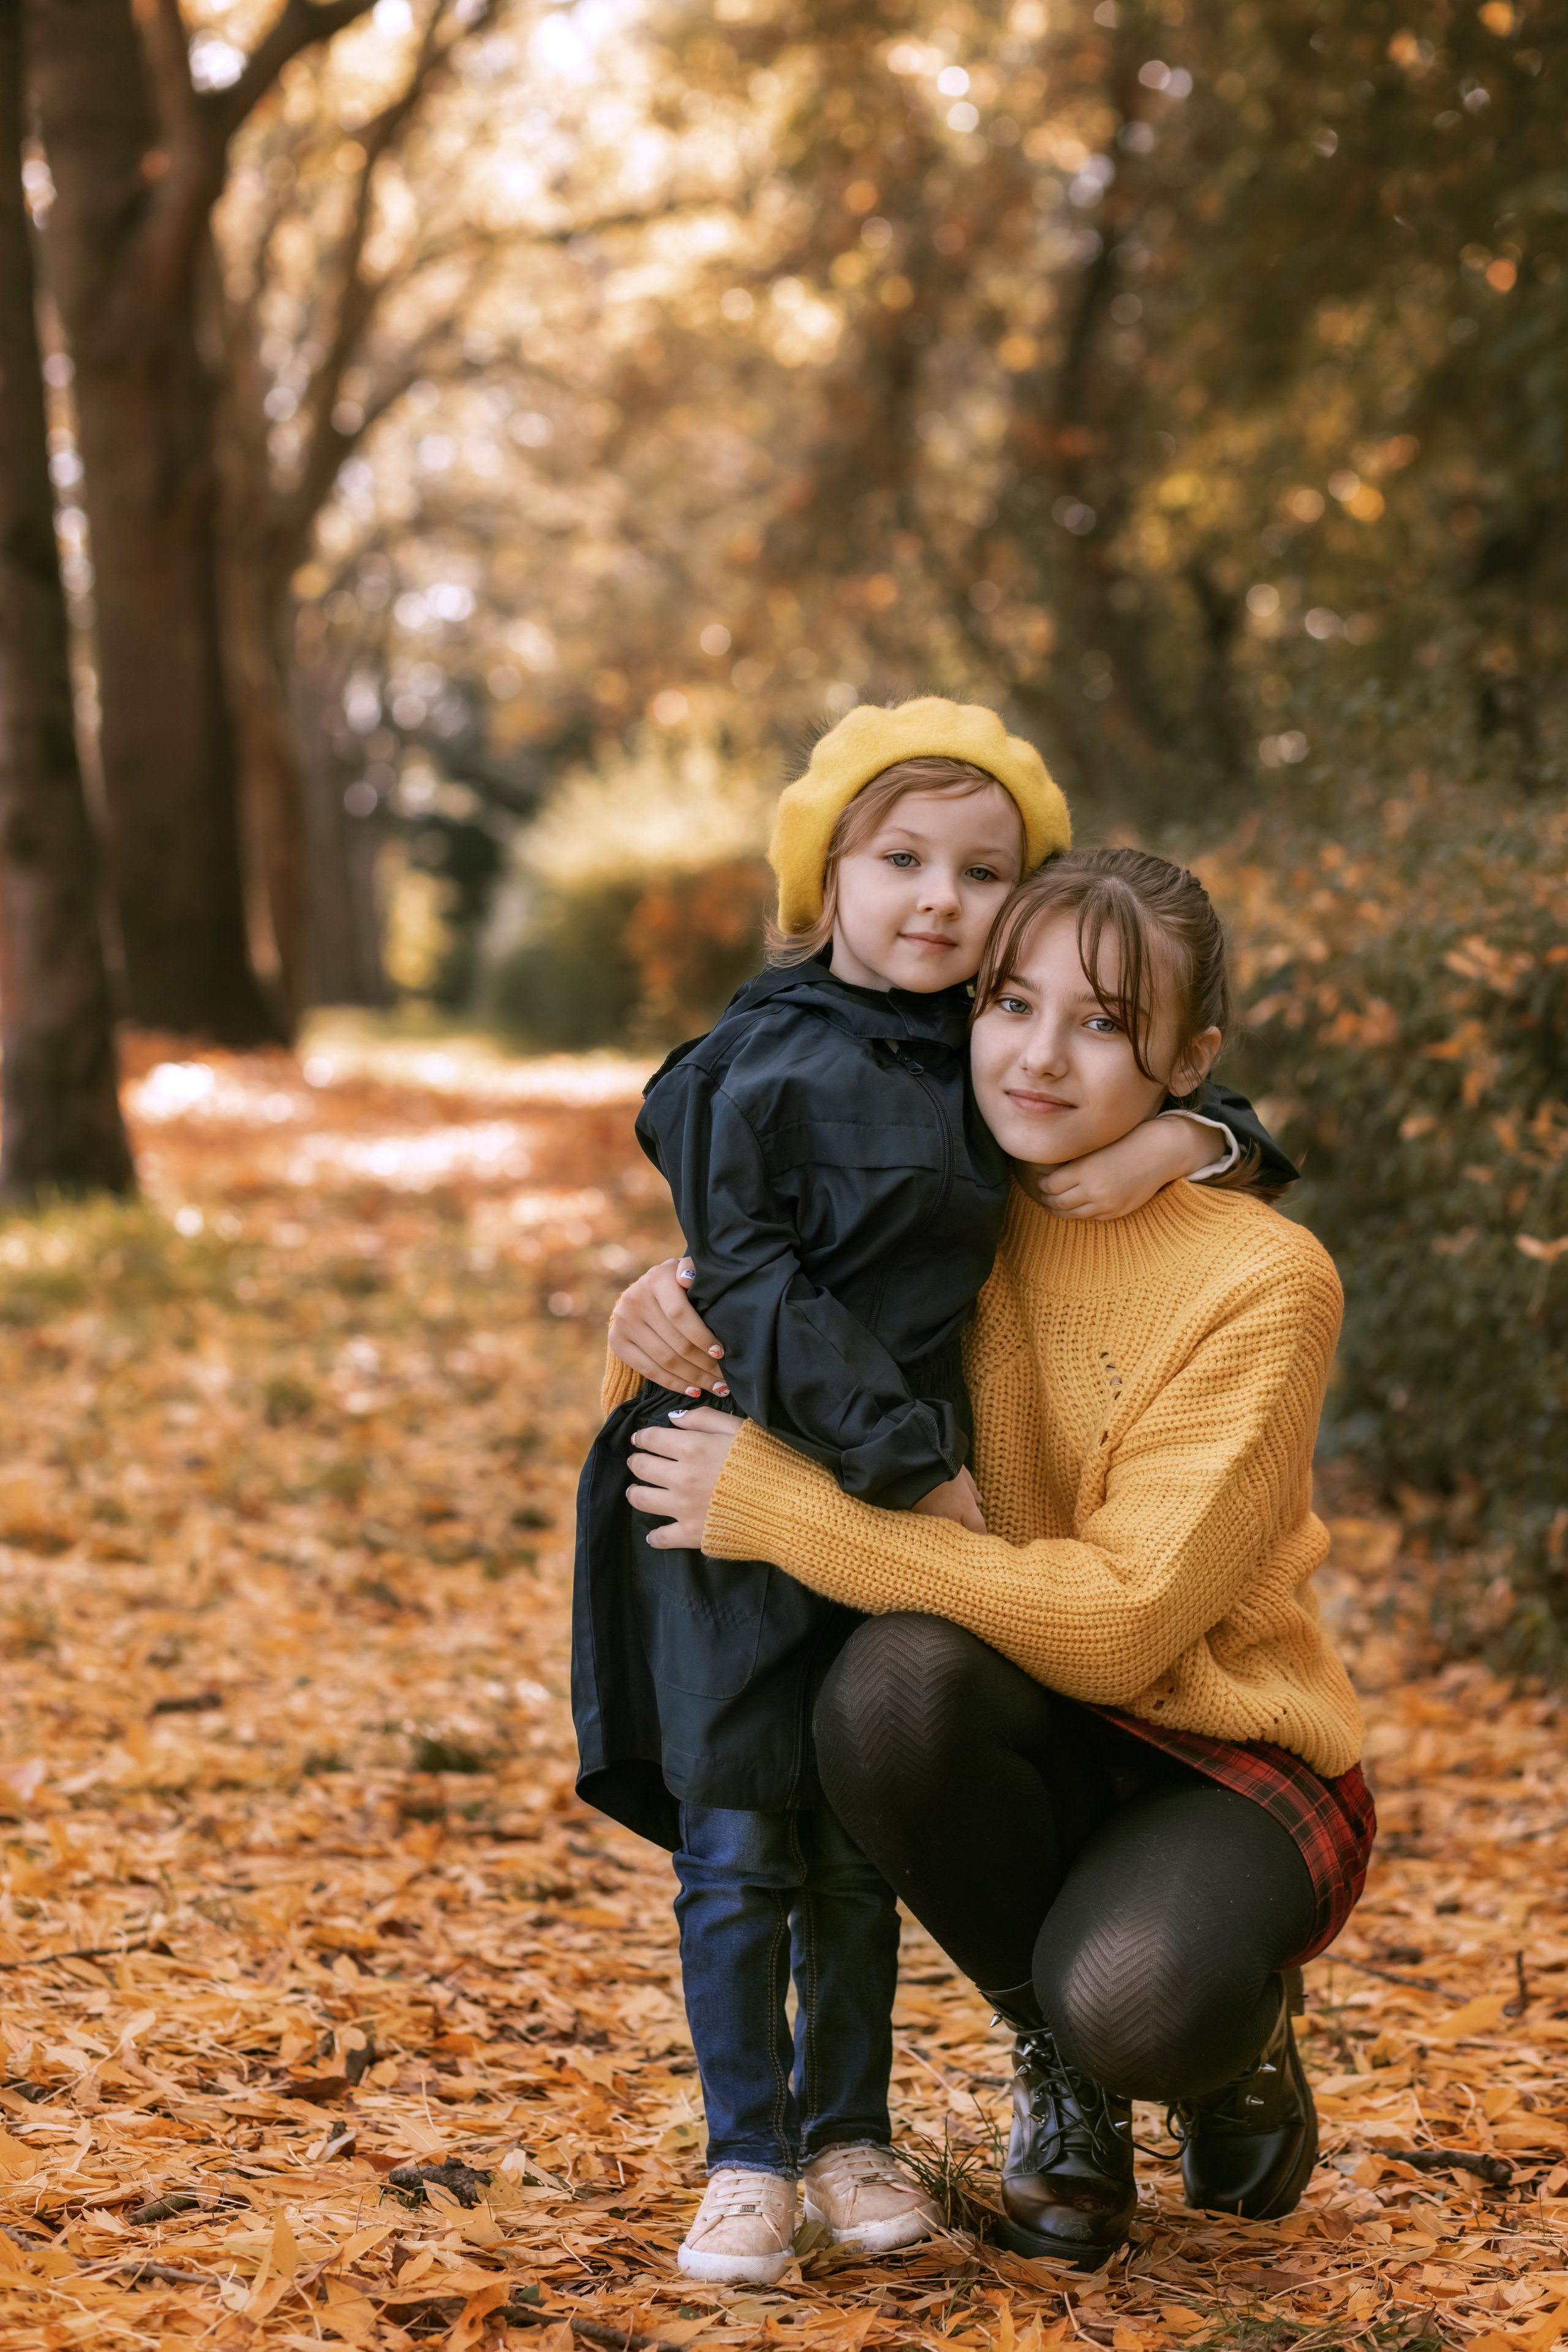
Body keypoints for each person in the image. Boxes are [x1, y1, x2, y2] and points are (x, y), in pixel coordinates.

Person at [575, 710, 1294, 2286]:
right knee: (812, 1767)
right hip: (902, 1611)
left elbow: (1113, 1628)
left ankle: (1066, 2069)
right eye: (898, 859)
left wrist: (1198, 1138)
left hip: (1146, 1700)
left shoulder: (1179, 1224)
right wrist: (663, 1305)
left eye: (980, 874)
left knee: (989, 1917)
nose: (1041, 1054)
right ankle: (807, 2141)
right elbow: (765, 1243)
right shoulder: (873, 1112)